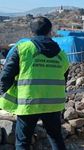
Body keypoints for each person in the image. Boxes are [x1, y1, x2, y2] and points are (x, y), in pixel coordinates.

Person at [0, 16, 69, 150]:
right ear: (50, 31)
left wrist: (4, 94)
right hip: (53, 105)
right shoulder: (62, 54)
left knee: (23, 142)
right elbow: (63, 79)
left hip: (28, 104)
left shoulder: (22, 49)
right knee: (56, 138)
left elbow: (5, 77)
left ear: (32, 32)